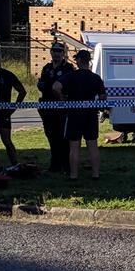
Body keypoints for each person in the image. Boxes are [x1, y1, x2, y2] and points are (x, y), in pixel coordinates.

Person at [53, 50, 106, 180]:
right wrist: (98, 106)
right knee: (92, 145)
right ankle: (96, 174)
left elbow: (55, 87)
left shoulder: (71, 76)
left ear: (80, 60)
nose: (75, 61)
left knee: (74, 146)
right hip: (90, 115)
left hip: (74, 114)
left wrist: (62, 100)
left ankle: (73, 175)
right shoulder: (95, 78)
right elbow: (103, 96)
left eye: (76, 59)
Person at [38, 42, 74, 172]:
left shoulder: (68, 68)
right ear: (51, 52)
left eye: (59, 51)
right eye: (54, 51)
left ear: (63, 54)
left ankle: (66, 165)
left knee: (63, 137)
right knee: (51, 135)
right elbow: (43, 84)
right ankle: (54, 165)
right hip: (47, 106)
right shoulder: (47, 68)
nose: (56, 54)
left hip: (61, 107)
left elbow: (68, 87)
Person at [0, 55, 27, 171]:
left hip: (4, 113)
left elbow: (22, 91)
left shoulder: (7, 74)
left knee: (6, 139)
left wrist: (13, 108)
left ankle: (15, 163)